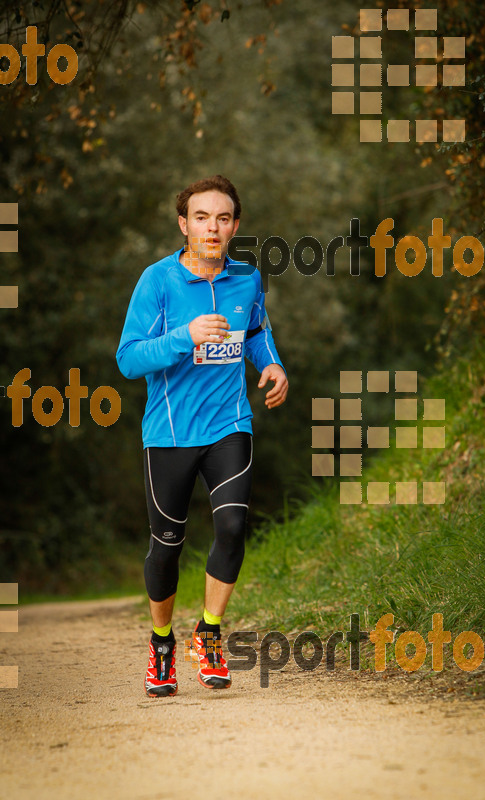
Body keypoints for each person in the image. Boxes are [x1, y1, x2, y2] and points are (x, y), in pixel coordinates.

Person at [116, 175, 288, 696]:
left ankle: (209, 633)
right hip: (169, 434)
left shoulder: (247, 279)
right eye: (200, 217)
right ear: (183, 224)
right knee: (166, 546)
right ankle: (162, 642)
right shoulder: (158, 281)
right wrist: (182, 337)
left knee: (233, 528)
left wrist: (274, 365)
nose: (212, 227)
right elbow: (128, 358)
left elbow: (256, 332)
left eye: (222, 217)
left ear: (235, 225)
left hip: (228, 424)